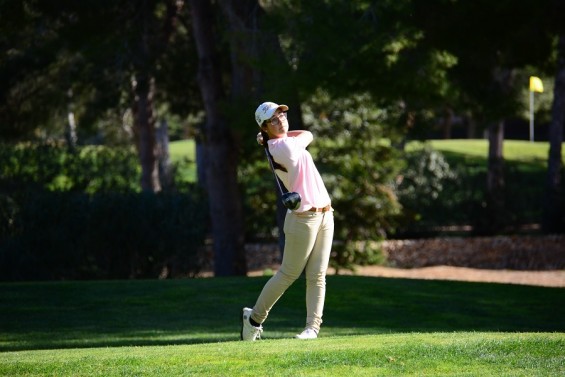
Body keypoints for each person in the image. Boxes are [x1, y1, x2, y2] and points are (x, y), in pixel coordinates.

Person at [241, 101, 334, 341]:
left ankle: (312, 329)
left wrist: (264, 137)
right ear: (265, 128)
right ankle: (253, 320)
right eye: (273, 119)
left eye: (281, 114)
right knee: (288, 274)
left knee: (318, 276)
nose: (281, 119)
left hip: (325, 213)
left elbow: (304, 135)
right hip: (303, 218)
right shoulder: (283, 147)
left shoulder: (278, 143)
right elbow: (308, 134)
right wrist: (268, 138)